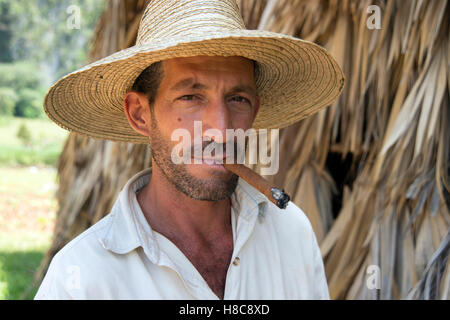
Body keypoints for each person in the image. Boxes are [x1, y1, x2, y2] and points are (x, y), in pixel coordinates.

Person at [35, 0, 344, 299]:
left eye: (238, 99)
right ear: (140, 114)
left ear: (254, 110)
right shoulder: (81, 279)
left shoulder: (291, 233)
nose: (221, 130)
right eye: (191, 97)